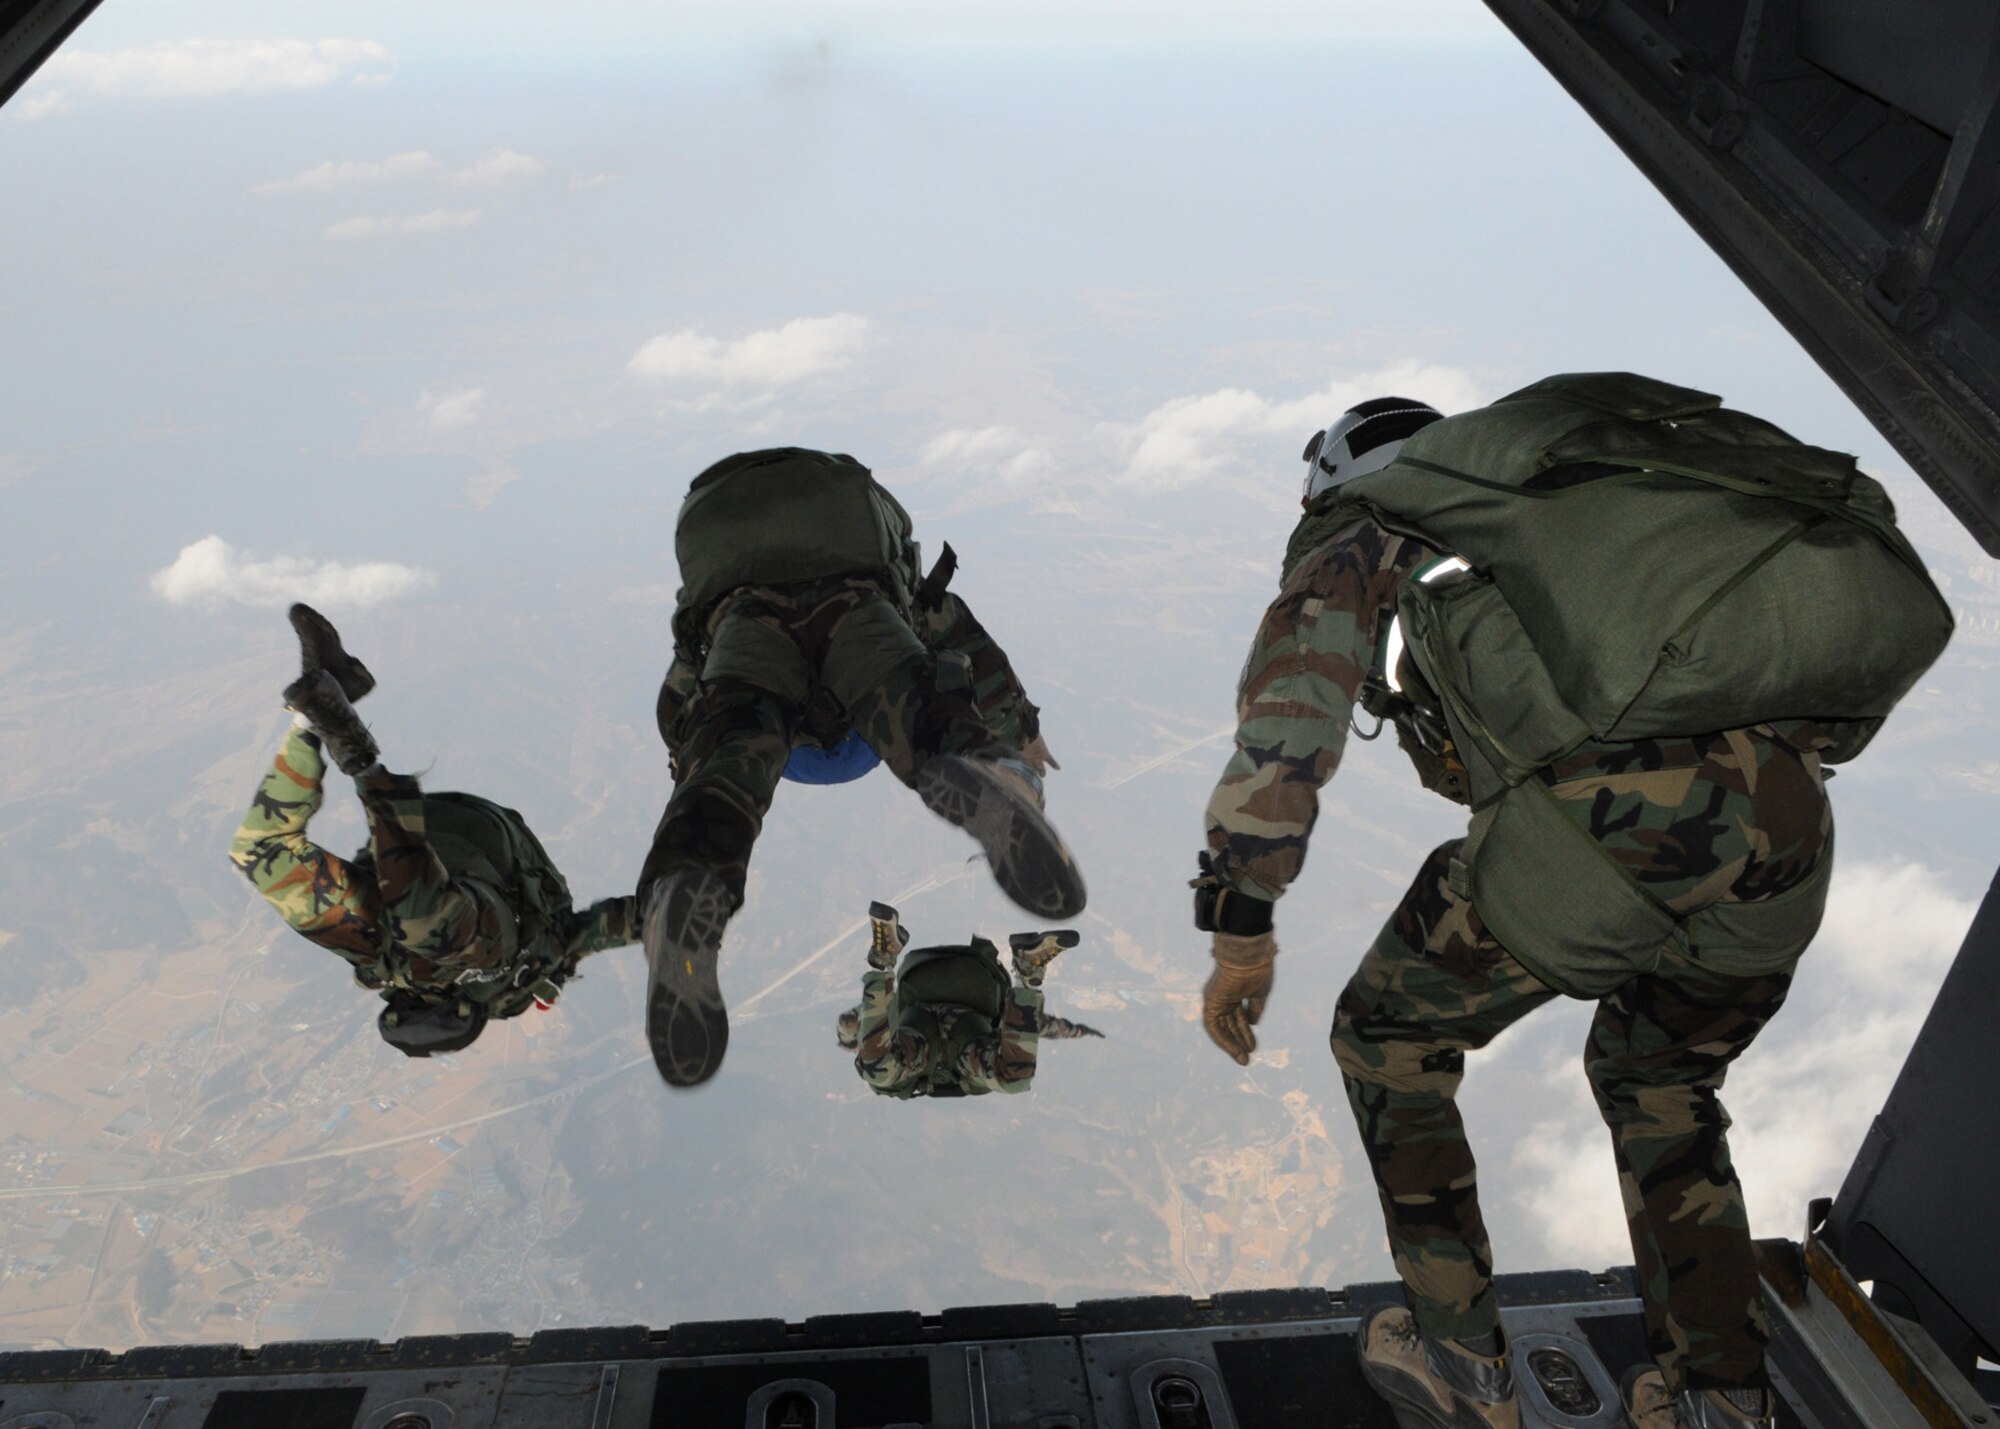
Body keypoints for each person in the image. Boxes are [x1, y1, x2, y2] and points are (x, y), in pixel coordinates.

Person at [1192, 375, 1952, 1429]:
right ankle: (1720, 1398)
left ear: (1333, 480)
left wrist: (1239, 926)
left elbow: (1286, 727)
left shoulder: (1367, 533)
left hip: (1620, 820)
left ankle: (1461, 1367)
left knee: (1387, 1041)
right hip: (1786, 826)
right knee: (1659, 1075)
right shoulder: (1554, 513)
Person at [640, 447, 1085, 1089]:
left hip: (748, 596)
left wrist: (702, 769)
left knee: (738, 750)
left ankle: (690, 876)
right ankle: (987, 780)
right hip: (832, 592)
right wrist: (1023, 745)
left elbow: (686, 719)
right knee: (917, 711)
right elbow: (680, 710)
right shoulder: (859, 589)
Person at [229, 605, 639, 1056]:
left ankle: (320, 707)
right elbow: (592, 930)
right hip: (486, 857)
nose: (424, 996)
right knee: (425, 926)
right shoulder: (515, 976)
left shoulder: (384, 967)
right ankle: (362, 762)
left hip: (418, 865)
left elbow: (595, 931)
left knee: (260, 854)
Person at [835, 900, 1089, 1098]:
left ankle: (883, 958)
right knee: (1014, 1081)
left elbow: (853, 1020)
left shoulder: (892, 1011)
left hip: (924, 1031)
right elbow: (852, 1020)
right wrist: (851, 1038)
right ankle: (1028, 970)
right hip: (964, 1032)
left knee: (878, 1073)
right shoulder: (888, 1009)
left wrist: (850, 1037)